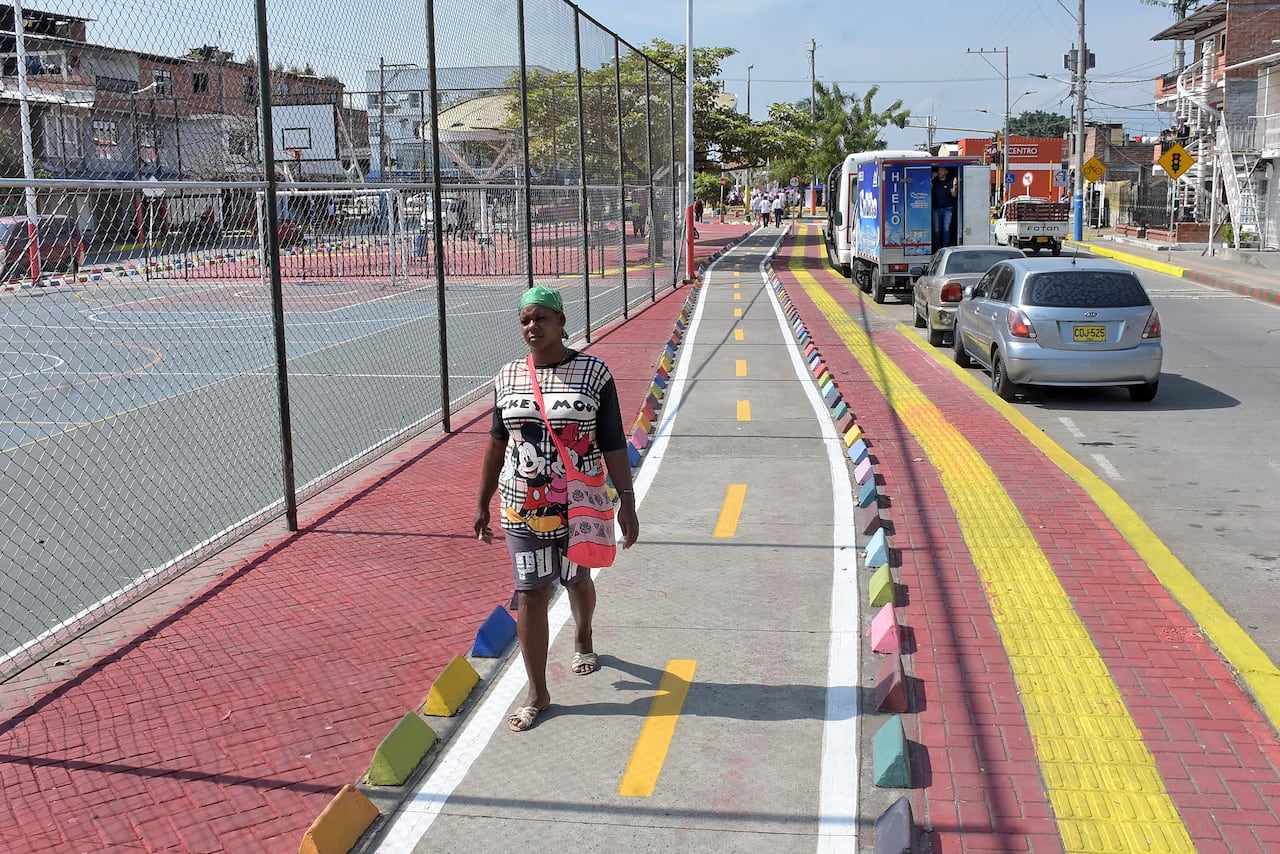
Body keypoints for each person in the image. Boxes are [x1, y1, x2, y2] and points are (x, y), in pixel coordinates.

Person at [474, 285, 640, 732]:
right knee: (530, 592)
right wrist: (482, 501)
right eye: (525, 320)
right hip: (521, 508)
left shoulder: (593, 373)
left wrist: (626, 500)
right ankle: (538, 691)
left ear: (562, 321)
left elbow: (612, 440)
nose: (533, 327)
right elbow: (496, 443)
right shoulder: (508, 376)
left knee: (576, 578)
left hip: (579, 508)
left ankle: (583, 635)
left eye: (541, 318)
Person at [931, 166, 958, 253]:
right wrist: (931, 178)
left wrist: (954, 185)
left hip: (948, 209)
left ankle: (945, 249)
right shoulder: (935, 182)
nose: (939, 172)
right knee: (936, 230)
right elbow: (926, 188)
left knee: (946, 229)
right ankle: (937, 250)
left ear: (946, 172)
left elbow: (954, 195)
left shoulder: (949, 182)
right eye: (939, 170)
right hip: (936, 209)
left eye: (942, 170)